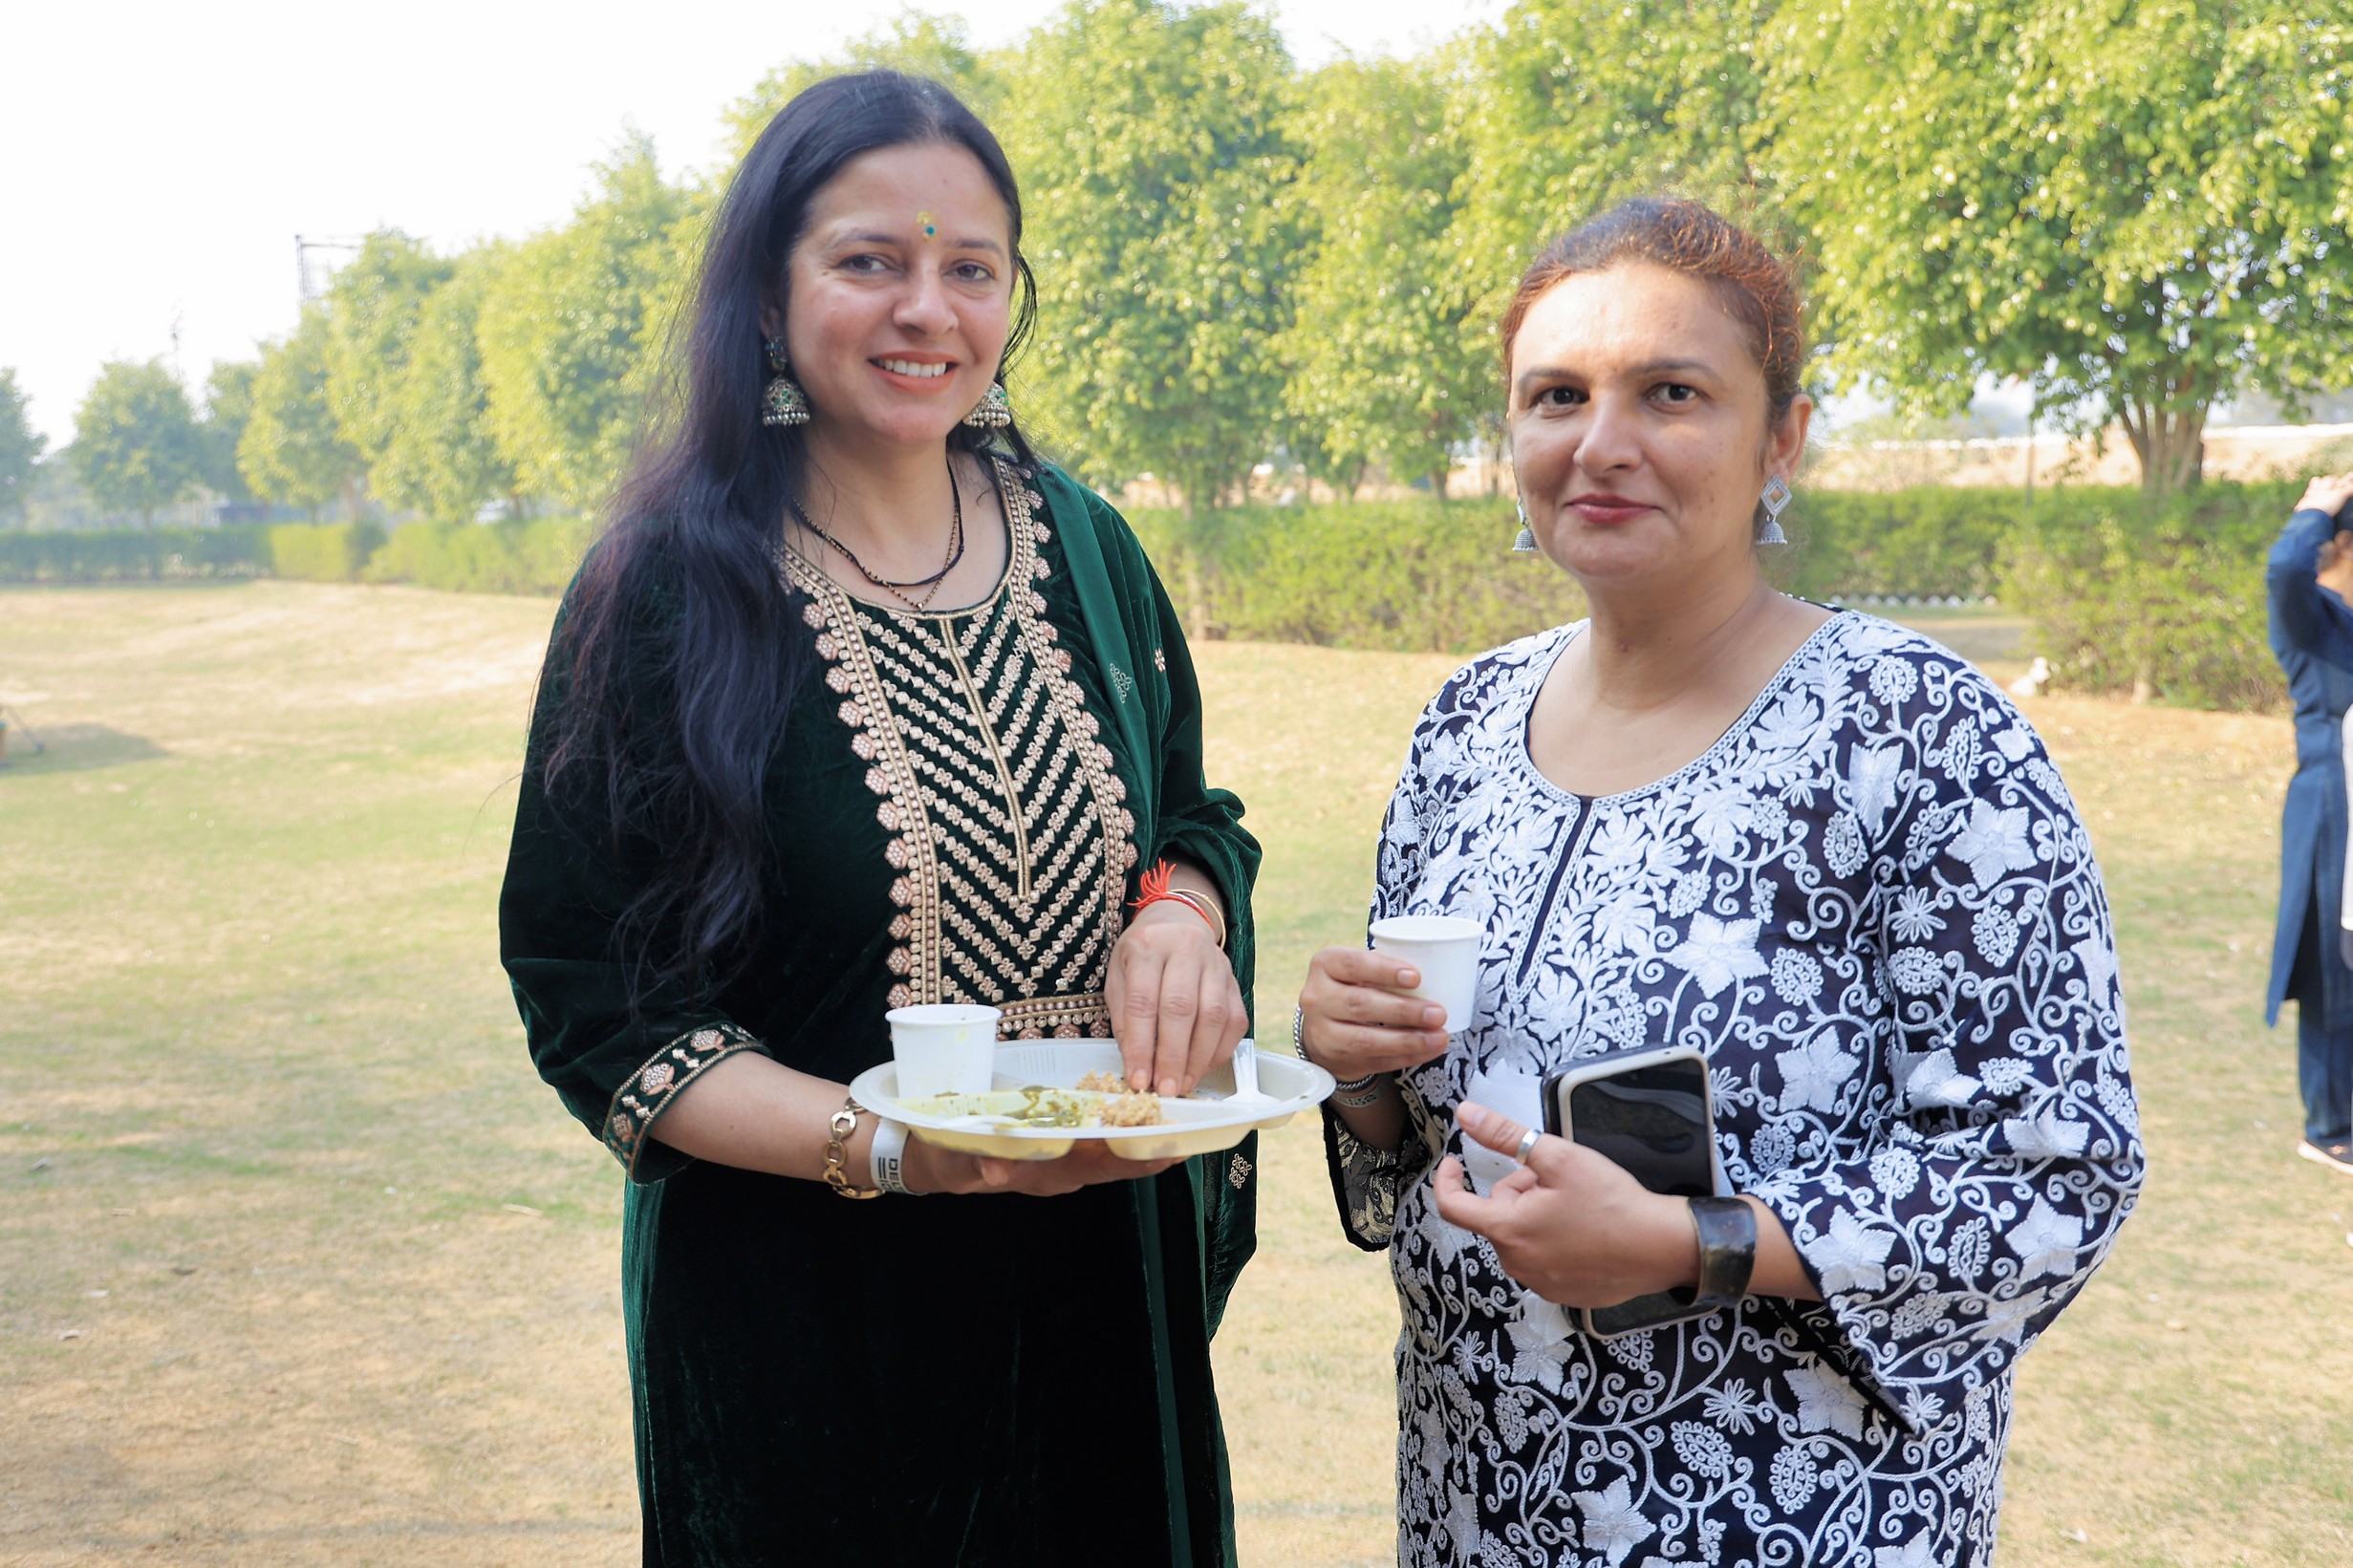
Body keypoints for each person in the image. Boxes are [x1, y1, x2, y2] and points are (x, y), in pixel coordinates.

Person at [1294, 198, 2144, 1566]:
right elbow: (1416, 1148)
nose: (1600, 443)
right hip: (1472, 1507)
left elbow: (2052, 1171)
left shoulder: (1916, 735)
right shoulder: (1466, 724)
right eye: (1555, 396)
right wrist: (1355, 1071)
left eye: (1670, 393)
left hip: (1787, 1518)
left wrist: (1695, 1240)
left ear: (1780, 439)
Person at [499, 72, 1261, 1566]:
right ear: (765, 297)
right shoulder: (664, 589)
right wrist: (894, 1145)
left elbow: (1189, 811)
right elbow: (596, 996)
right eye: (868, 261)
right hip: (804, 1346)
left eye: (971, 268)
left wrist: (1180, 910)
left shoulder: (1087, 546)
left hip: (1102, 1315)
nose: (928, 309)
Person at [2264, 472, 2353, 1173]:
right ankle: (2330, 1126)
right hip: (2331, 809)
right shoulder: (2312, 618)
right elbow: (2284, 569)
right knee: (2332, 969)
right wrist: (2313, 513)